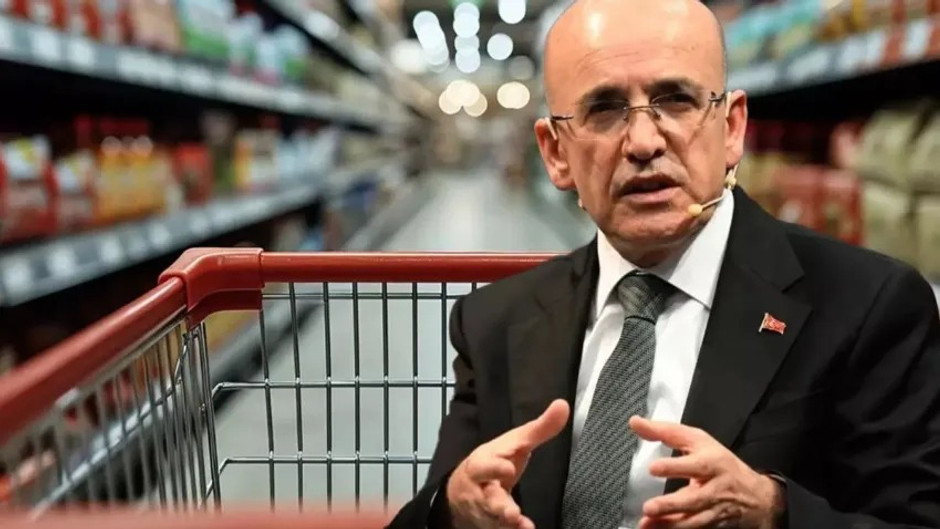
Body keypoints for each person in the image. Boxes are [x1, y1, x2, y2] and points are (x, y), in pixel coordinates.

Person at [387, 0, 940, 527]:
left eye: (676, 100)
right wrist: (452, 509)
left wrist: (775, 512)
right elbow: (434, 511)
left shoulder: (866, 307)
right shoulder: (495, 323)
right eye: (604, 109)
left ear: (732, 128)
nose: (644, 142)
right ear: (556, 153)